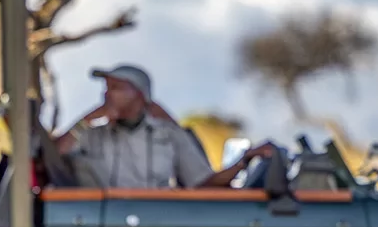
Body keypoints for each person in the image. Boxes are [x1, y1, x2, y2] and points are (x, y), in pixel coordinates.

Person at [56, 65, 272, 189]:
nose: (107, 94)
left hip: (156, 223)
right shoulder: (91, 135)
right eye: (107, 88)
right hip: (105, 224)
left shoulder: (168, 135)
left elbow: (202, 184)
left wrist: (244, 161)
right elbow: (55, 155)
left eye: (116, 88)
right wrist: (87, 119)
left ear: (139, 94)